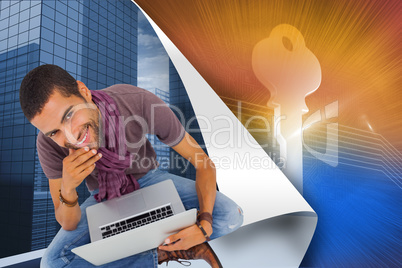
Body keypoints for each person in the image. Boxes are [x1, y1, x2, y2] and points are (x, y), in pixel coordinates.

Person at [19, 64, 243, 267]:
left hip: (150, 180)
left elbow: (204, 163)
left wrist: (204, 227)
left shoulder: (135, 101)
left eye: (69, 115)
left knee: (230, 215)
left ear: (83, 91)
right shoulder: (48, 145)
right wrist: (67, 189)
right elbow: (67, 223)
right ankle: (161, 253)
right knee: (52, 262)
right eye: (53, 131)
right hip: (102, 197)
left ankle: (137, 251)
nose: (70, 136)